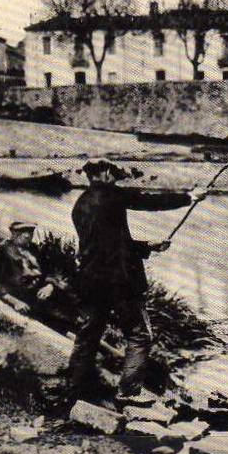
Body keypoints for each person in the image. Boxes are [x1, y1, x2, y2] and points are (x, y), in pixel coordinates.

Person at [66, 158, 206, 403]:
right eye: (114, 173)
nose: (116, 178)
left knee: (88, 336)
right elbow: (148, 201)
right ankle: (128, 393)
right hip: (119, 283)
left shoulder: (79, 205)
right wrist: (189, 197)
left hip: (90, 282)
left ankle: (73, 391)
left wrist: (146, 246)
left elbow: (106, 246)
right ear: (106, 173)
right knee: (140, 335)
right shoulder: (113, 197)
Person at [0, 221, 78, 333]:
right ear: (14, 233)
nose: (28, 235)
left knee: (68, 305)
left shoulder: (35, 250)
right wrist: (13, 301)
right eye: (24, 232)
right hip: (24, 296)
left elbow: (49, 270)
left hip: (42, 293)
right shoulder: (0, 251)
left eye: (30, 232)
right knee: (62, 321)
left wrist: (50, 285)